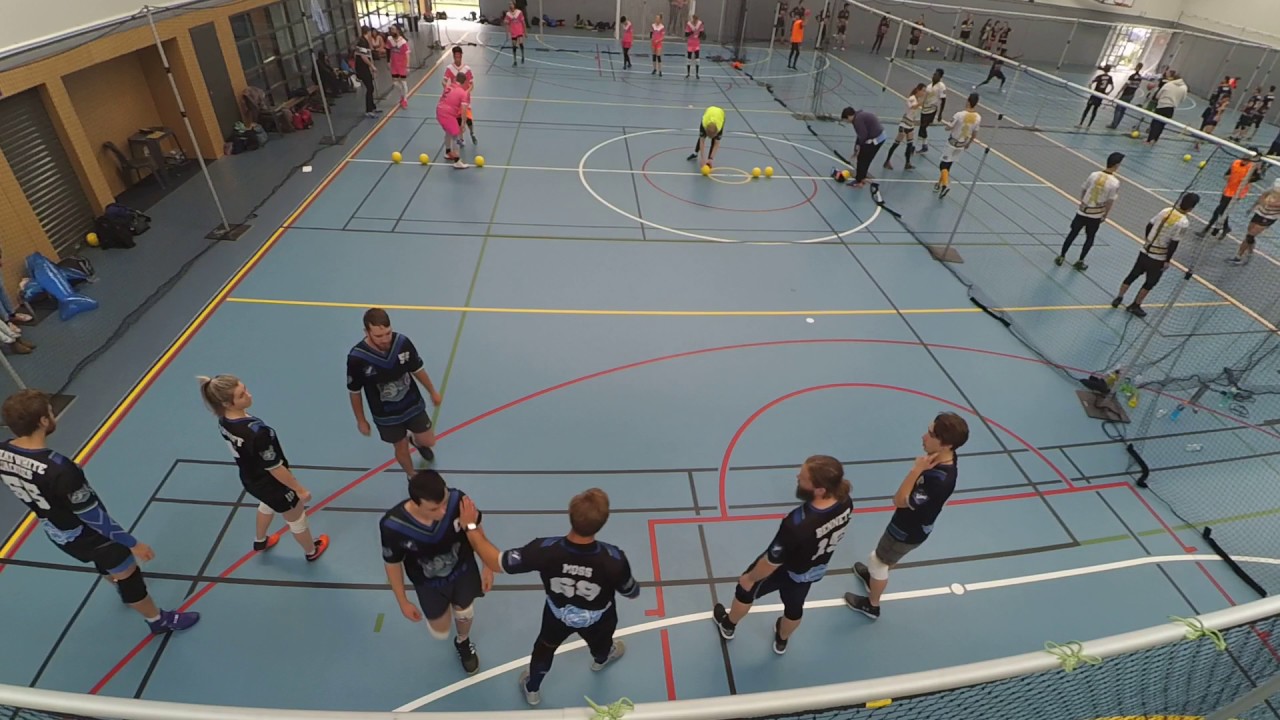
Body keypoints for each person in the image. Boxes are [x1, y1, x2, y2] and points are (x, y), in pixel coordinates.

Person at [0, 389, 200, 634]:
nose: (53, 415)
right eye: (51, 412)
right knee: (129, 575)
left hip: (55, 529)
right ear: (43, 421)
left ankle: (119, 584)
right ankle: (157, 620)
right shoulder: (60, 470)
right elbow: (93, 518)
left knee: (103, 563)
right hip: (89, 533)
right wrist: (133, 543)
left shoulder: (3, 451)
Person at [460, 489, 639, 706]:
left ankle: (532, 688)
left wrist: (470, 526)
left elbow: (497, 562)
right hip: (598, 619)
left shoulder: (544, 549)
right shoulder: (614, 558)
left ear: (570, 513)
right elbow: (631, 592)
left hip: (557, 616)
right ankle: (601, 659)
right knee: (601, 644)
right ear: (603, 521)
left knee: (544, 648)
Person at [712, 456, 852, 653]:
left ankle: (728, 625)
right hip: (811, 569)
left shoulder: (797, 524)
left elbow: (771, 561)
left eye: (803, 478)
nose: (797, 477)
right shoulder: (846, 502)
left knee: (745, 590)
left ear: (820, 489)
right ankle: (781, 639)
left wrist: (750, 578)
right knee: (794, 609)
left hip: (786, 567)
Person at [845, 413, 968, 620]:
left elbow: (899, 500)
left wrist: (916, 470)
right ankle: (872, 579)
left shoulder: (938, 479)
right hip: (912, 527)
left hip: (906, 530)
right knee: (886, 558)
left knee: (878, 562)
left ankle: (872, 604)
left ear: (946, 445)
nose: (923, 437)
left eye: (930, 434)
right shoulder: (945, 458)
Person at [198, 375, 330, 560]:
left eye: (245, 389)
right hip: (272, 482)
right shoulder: (257, 433)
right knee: (296, 517)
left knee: (267, 503)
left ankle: (260, 540)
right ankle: (311, 551)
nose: (249, 395)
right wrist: (299, 490)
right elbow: (274, 467)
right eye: (242, 395)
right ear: (227, 403)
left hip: (251, 479)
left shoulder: (224, 421)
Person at [382, 470, 492, 674]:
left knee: (464, 612)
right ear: (416, 503)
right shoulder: (392, 526)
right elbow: (392, 563)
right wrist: (402, 601)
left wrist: (487, 565)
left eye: (444, 503)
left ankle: (463, 642)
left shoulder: (458, 499)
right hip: (429, 584)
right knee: (440, 630)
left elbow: (476, 527)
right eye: (434, 509)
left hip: (463, 572)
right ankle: (443, 616)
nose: (443, 512)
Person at [348, 308, 443, 477]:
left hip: (412, 403)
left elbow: (417, 369)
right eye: (378, 336)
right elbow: (354, 391)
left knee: (429, 441)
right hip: (386, 414)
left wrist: (432, 391)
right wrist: (361, 420)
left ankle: (417, 442)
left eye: (388, 333)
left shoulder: (402, 343)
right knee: (400, 446)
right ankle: (411, 475)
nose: (385, 339)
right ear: (366, 332)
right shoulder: (357, 358)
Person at [1110, 193, 1200, 316]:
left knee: (1133, 274)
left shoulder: (1166, 210)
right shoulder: (1183, 222)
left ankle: (1119, 297)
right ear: (1192, 207)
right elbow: (1173, 244)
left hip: (1145, 251)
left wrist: (1148, 241)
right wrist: (1167, 260)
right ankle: (1135, 305)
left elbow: (1149, 225)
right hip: (1158, 257)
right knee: (1150, 282)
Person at [1057, 152, 1123, 271]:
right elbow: (1110, 201)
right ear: (1116, 165)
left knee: (1072, 234)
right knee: (1090, 237)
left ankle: (1061, 256)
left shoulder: (1094, 175)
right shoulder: (1114, 182)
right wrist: (1105, 215)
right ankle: (1080, 261)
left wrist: (1083, 203)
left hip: (1082, 211)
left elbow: (1083, 189)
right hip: (1095, 215)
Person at [1200, 152, 1263, 238]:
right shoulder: (1235, 163)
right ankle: (1226, 228)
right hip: (1228, 190)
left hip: (1237, 193)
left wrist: (1247, 179)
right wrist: (1229, 177)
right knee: (1223, 211)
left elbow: (1258, 177)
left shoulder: (1252, 168)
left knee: (1218, 210)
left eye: (1248, 159)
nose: (1245, 160)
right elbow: (1226, 175)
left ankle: (1206, 229)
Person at [936, 92, 981, 199]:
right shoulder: (978, 117)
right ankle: (939, 184)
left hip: (952, 143)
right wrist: (969, 143)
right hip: (962, 145)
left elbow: (949, 127)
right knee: (948, 165)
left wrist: (946, 125)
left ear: (968, 100)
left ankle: (946, 184)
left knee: (943, 165)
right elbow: (975, 133)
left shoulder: (959, 114)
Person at [1227, 179, 1280, 266]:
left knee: (1250, 235)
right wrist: (1253, 207)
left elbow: (1274, 204)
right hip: (1260, 212)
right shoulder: (1274, 186)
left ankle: (1239, 257)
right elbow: (1262, 196)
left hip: (1270, 217)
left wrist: (1272, 204)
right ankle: (1249, 253)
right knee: (1249, 234)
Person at [839, 105, 886, 187]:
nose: (847, 121)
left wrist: (859, 148)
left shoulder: (857, 120)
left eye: (846, 119)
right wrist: (857, 147)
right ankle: (862, 177)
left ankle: (859, 181)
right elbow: (860, 134)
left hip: (876, 139)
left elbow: (863, 135)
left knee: (863, 159)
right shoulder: (858, 116)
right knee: (865, 158)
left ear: (849, 116)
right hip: (878, 137)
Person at [883, 82, 925, 171]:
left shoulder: (917, 99)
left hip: (911, 124)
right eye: (923, 91)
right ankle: (887, 161)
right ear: (918, 90)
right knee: (896, 143)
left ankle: (907, 163)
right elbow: (912, 107)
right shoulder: (912, 98)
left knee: (910, 144)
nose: (923, 93)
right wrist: (920, 104)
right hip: (904, 124)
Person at [443, 46, 477, 146]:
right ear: (453, 56)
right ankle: (461, 139)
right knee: (458, 119)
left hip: (465, 99)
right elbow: (444, 81)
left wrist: (466, 92)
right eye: (455, 56)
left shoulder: (467, 69)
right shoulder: (449, 68)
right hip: (455, 99)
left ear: (461, 56)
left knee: (468, 119)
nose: (457, 58)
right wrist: (448, 88)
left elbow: (472, 84)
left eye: (459, 55)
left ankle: (472, 133)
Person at [437, 72, 472, 168]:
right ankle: (457, 161)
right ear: (465, 82)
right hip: (447, 114)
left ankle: (448, 152)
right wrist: (463, 124)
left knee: (449, 132)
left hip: (439, 111)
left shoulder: (449, 87)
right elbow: (464, 110)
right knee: (456, 135)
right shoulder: (462, 93)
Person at [1146, 70, 1187, 145]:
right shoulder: (1184, 87)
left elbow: (1158, 95)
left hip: (1161, 106)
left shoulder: (1168, 84)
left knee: (1155, 123)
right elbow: (1183, 99)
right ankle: (1155, 140)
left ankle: (1149, 140)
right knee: (1162, 125)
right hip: (1171, 109)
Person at [917, 68, 947, 154]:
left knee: (923, 126)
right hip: (924, 109)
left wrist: (940, 114)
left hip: (932, 109)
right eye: (934, 74)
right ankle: (924, 145)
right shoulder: (929, 86)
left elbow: (943, 100)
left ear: (940, 77)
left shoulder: (941, 86)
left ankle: (922, 145)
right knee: (921, 128)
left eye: (936, 75)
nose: (934, 76)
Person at [1107, 63, 1145, 129]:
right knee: (1123, 110)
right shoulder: (1140, 77)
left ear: (1138, 67)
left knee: (1118, 109)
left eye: (1136, 66)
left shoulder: (1132, 76)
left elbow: (1126, 84)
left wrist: (1119, 91)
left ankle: (1114, 124)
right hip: (1131, 95)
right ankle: (1117, 124)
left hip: (1126, 94)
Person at [354, 28, 379, 118]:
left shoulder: (364, 41)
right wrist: (372, 66)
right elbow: (363, 56)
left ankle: (372, 107)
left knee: (371, 87)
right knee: (370, 88)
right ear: (368, 32)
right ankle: (368, 110)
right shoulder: (362, 42)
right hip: (362, 69)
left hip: (363, 68)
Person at [387, 25, 411, 109]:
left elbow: (407, 54)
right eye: (391, 29)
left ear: (397, 30)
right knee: (395, 83)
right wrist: (388, 61)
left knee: (403, 82)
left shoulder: (403, 42)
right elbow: (388, 50)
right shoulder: (390, 40)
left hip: (402, 65)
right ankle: (402, 94)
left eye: (393, 29)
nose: (391, 31)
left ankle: (404, 99)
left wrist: (407, 66)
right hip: (394, 65)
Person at [503, 2, 527, 66]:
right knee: (514, 46)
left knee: (521, 43)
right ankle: (515, 60)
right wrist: (507, 33)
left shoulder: (519, 12)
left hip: (519, 30)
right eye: (509, 4)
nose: (510, 5)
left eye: (512, 4)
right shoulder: (508, 14)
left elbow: (523, 22)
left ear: (514, 5)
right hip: (513, 32)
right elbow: (506, 24)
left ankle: (522, 56)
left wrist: (525, 32)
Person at [684, 14, 704, 79]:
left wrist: (700, 35)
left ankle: (697, 74)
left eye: (696, 20)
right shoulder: (689, 24)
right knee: (689, 58)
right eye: (694, 19)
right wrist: (691, 32)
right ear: (693, 19)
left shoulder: (700, 24)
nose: (695, 21)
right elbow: (686, 34)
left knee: (697, 59)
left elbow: (701, 33)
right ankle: (688, 73)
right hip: (690, 43)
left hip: (696, 43)